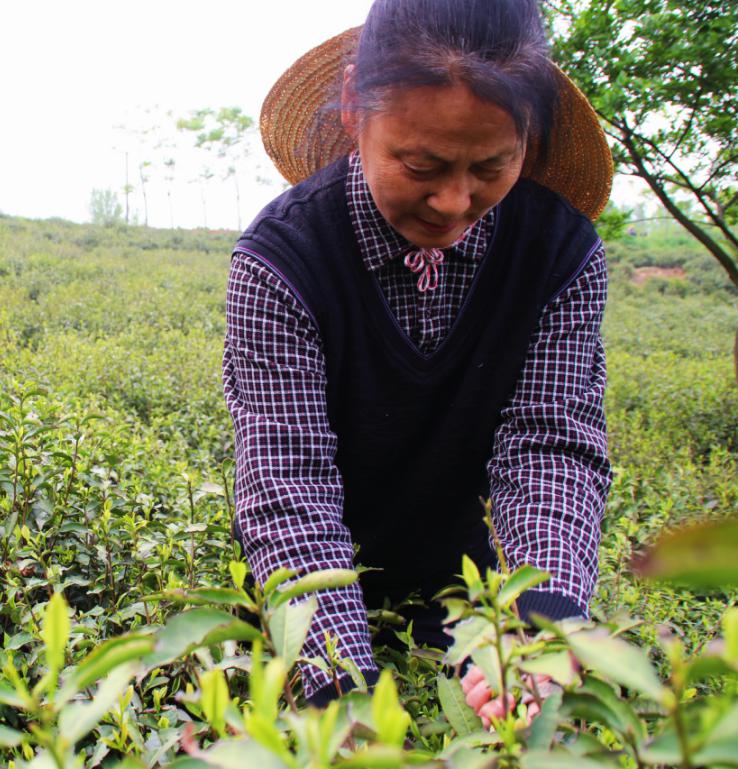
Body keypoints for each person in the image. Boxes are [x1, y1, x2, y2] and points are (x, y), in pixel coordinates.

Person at [224, 0, 613, 722]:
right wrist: (341, 692)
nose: (454, 201)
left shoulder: (559, 256)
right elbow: (288, 485)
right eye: (421, 164)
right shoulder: (282, 261)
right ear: (351, 107)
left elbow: (550, 449)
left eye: (492, 166)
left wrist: (536, 627)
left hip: (463, 594)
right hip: (301, 596)